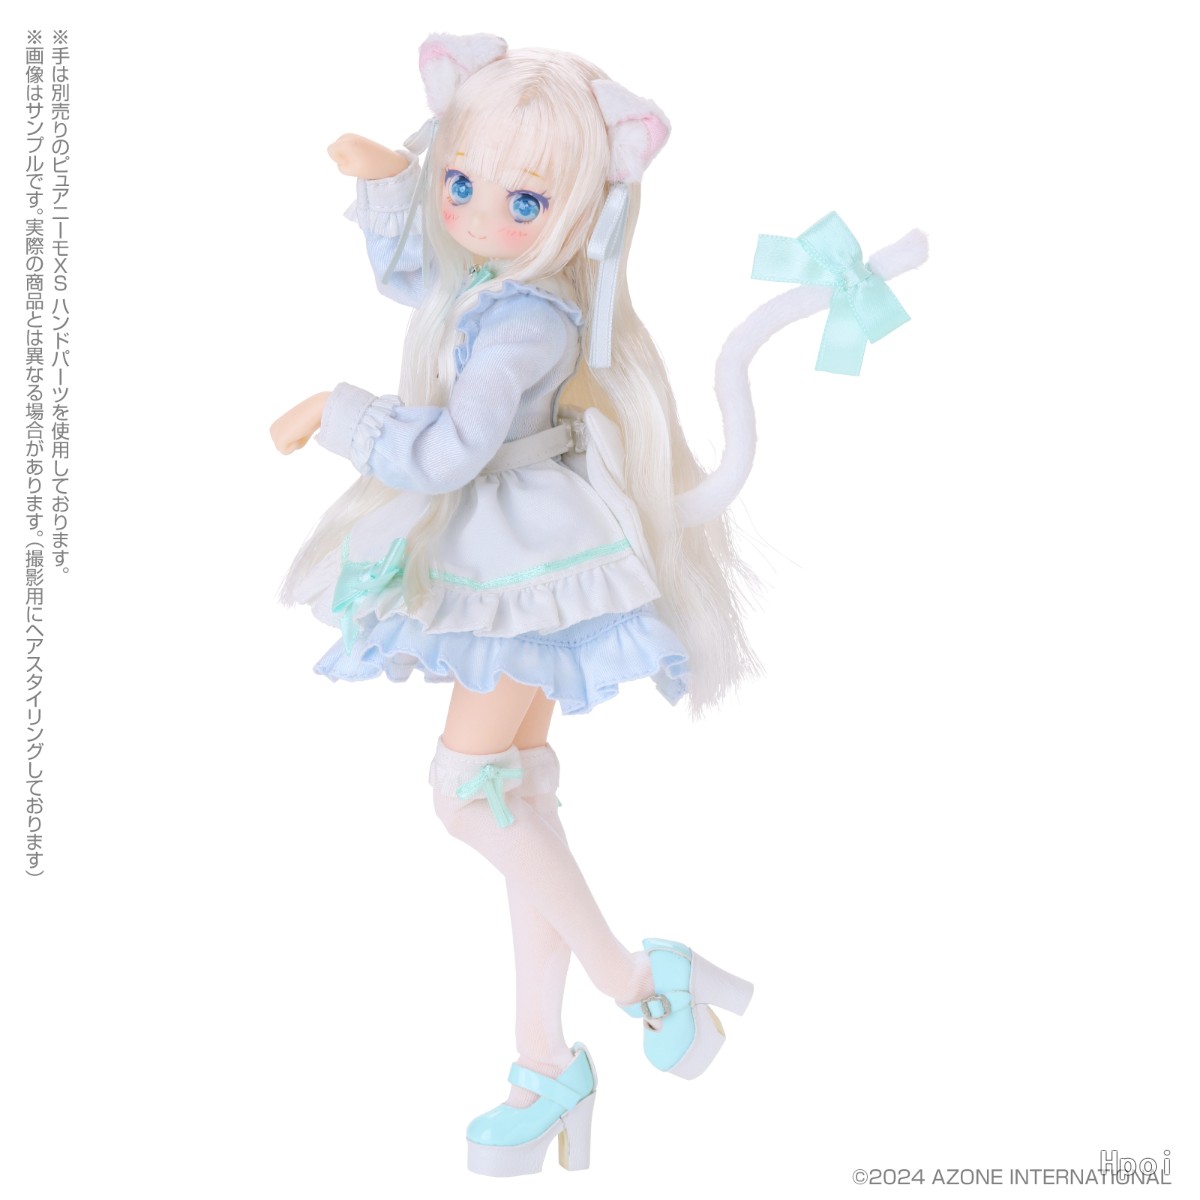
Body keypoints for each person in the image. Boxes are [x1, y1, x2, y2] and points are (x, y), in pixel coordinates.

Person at [270, 33, 761, 1177]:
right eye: (461, 181)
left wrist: (338, 414)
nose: (480, 214)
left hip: (518, 556)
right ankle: (544, 1065)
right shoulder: (498, 290)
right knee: (518, 797)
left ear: (577, 210)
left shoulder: (531, 319)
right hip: (521, 547)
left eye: (524, 199)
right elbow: (426, 280)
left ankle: (637, 980)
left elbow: (449, 450)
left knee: (465, 793)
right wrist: (387, 185)